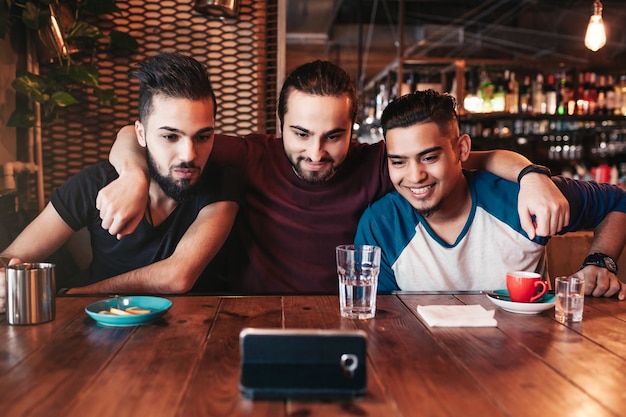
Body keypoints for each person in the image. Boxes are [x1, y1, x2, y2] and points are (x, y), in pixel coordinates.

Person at [97, 60, 569, 294]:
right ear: (277, 125)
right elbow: (131, 135)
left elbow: (475, 159)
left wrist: (531, 175)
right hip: (248, 315)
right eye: (300, 133)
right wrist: (133, 178)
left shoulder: (377, 163)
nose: (316, 152)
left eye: (333, 136)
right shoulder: (248, 154)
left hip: (351, 319)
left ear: (352, 132)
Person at [0, 52, 239, 312]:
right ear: (141, 134)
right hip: (98, 334)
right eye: (170, 137)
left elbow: (178, 276)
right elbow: (12, 256)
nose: (189, 155)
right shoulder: (96, 182)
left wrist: (79, 295)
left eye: (203, 137)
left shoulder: (221, 183)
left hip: (193, 331)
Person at [354, 90, 626, 299]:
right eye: (398, 161)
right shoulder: (381, 224)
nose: (414, 176)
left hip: (529, 361)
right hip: (426, 364)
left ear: (461, 150)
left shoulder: (518, 197)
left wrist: (600, 262)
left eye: (429, 157)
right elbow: (382, 318)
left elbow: (618, 200)